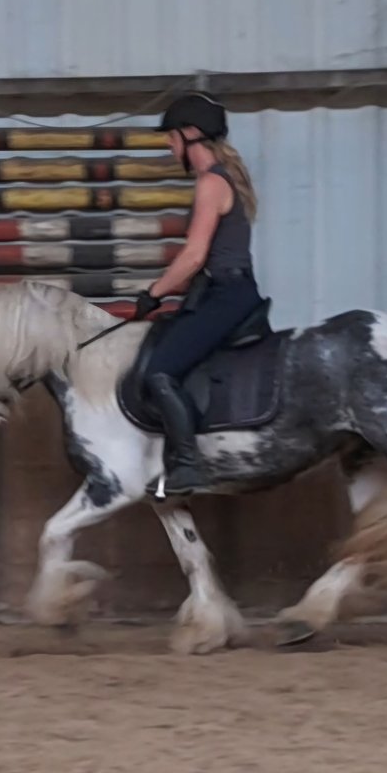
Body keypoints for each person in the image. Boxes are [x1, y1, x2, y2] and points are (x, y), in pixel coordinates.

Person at [132, 91, 265, 497]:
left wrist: (153, 293)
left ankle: (188, 466)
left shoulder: (211, 183)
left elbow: (193, 257)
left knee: (159, 370)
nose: (171, 149)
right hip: (220, 293)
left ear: (190, 136)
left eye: (172, 139)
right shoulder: (221, 179)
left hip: (227, 294)